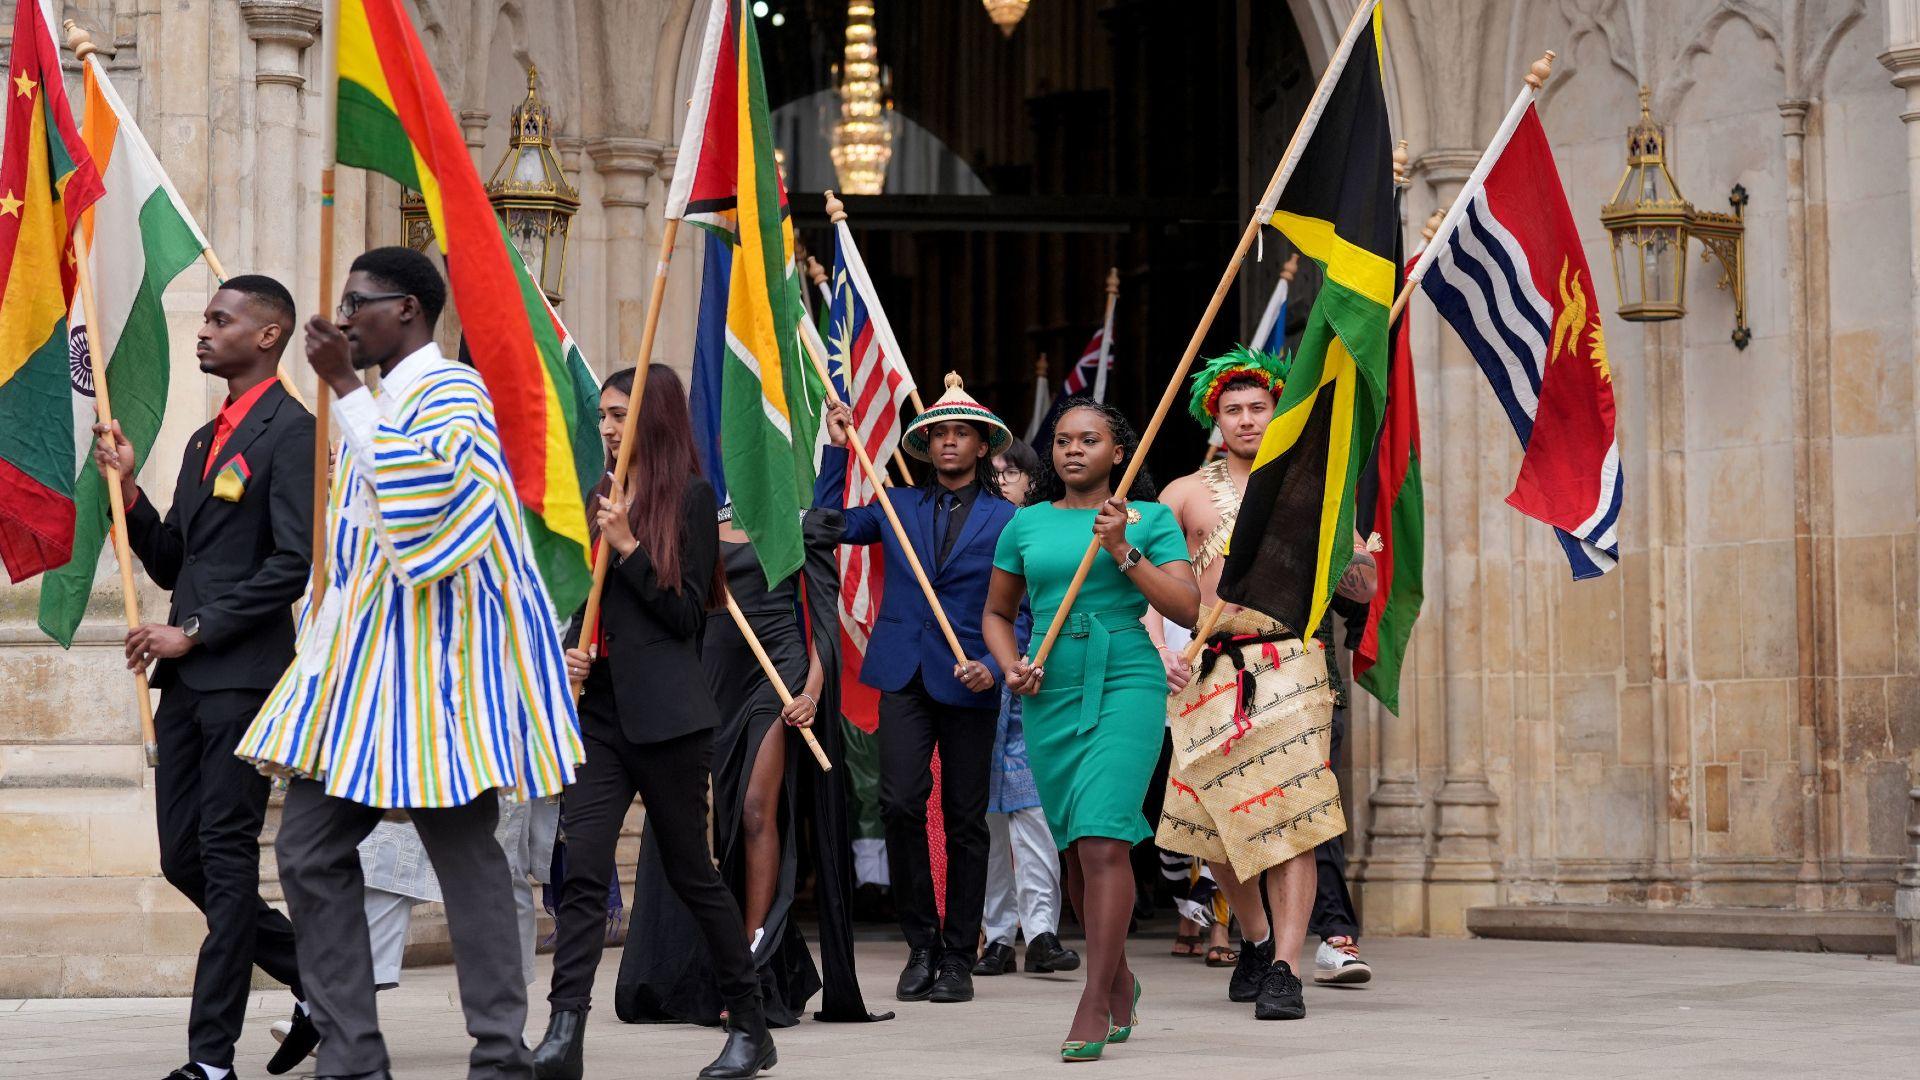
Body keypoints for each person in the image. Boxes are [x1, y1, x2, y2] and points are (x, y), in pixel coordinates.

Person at [236, 246, 583, 1080]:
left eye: (360, 303)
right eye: (344, 302)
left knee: (466, 854)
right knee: (308, 847)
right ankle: (354, 1053)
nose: (344, 317)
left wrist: (346, 391)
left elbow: (430, 524)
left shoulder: (453, 394)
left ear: (409, 312)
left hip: (436, 677)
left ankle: (500, 1050)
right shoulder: (386, 395)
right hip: (361, 676)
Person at [92, 275, 318, 1080]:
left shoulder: (293, 430)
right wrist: (129, 486)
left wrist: (191, 633)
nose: (205, 329)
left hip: (242, 680)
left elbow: (293, 564)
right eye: (208, 317)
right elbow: (170, 558)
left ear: (267, 335)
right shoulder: (202, 439)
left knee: (224, 858)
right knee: (180, 859)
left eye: (222, 319)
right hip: (188, 686)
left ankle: (210, 1060)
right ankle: (317, 979)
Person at [534, 365, 774, 1080]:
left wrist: (631, 546)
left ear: (653, 417)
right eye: (603, 415)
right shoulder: (601, 495)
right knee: (581, 873)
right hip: (600, 715)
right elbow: (591, 601)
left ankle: (750, 1025)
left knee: (691, 873)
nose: (606, 427)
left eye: (618, 414)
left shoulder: (692, 500)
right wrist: (576, 651)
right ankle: (562, 1031)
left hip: (668, 720)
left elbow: (682, 615)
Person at [1150, 345, 1366, 1021]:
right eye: (1233, 409)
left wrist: (1355, 561)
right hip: (1210, 667)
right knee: (1215, 829)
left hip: (1291, 662)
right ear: (1214, 417)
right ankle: (1256, 937)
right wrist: (1163, 652)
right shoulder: (1183, 493)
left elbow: (1360, 582)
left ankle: (1285, 969)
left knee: (1295, 824)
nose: (1246, 419)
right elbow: (1152, 592)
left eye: (1258, 407)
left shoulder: (1313, 483)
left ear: (1278, 412)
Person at [983, 397, 1198, 1060]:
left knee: (1104, 838)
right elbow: (996, 611)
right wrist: (1010, 664)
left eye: (1089, 440)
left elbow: (1185, 603)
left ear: (1118, 453)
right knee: (1076, 853)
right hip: (1049, 687)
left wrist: (1121, 548)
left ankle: (1092, 999)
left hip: (1126, 679)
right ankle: (1120, 977)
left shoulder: (1151, 519)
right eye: (1062, 440)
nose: (1072, 450)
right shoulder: (1026, 525)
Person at [819, 373, 1015, 1005]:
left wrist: (993, 661)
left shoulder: (1010, 519)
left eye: (961, 434)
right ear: (926, 446)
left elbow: (1027, 607)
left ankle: (960, 955)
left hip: (970, 676)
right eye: (938, 435)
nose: (949, 443)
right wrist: (835, 449)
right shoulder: (894, 504)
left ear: (983, 445)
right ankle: (921, 944)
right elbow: (825, 527)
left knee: (965, 818)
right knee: (901, 803)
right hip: (903, 672)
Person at [973, 440, 1078, 978]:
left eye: (1010, 473)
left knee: (1035, 816)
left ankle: (1040, 932)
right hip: (980, 687)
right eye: (993, 475)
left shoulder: (1044, 531)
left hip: (1037, 688)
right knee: (990, 820)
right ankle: (995, 936)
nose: (1001, 482)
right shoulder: (977, 531)